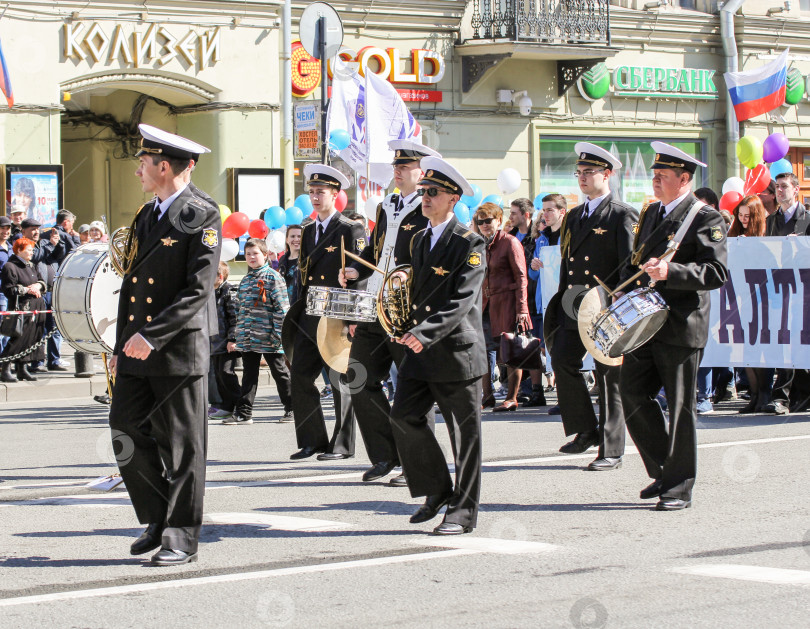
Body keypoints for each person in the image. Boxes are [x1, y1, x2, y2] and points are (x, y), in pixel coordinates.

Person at [107, 123, 221, 566]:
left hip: (175, 351)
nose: (138, 170)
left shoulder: (200, 213)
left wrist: (150, 337)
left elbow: (197, 290)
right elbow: (131, 289)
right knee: (125, 431)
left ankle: (181, 535)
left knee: (182, 446)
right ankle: (157, 516)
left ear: (165, 166)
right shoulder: (146, 214)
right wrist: (120, 347)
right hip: (136, 350)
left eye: (143, 162)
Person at [620, 142, 728, 511]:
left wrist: (672, 272)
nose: (655, 182)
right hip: (647, 320)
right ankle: (664, 469)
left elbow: (716, 272)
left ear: (684, 179)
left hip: (681, 324)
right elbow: (637, 261)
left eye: (663, 176)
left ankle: (679, 485)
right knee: (631, 392)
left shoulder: (706, 217)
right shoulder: (651, 213)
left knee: (680, 406)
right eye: (654, 175)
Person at [390, 156, 487, 535]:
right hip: (420, 348)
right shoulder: (418, 237)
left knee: (464, 436)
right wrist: (398, 323)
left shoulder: (470, 241)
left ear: (453, 199)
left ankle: (463, 511)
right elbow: (413, 292)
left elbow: (461, 299)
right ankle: (436, 488)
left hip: (455, 351)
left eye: (433, 193)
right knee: (403, 416)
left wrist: (424, 331)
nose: (425, 198)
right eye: (423, 191)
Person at [340, 139, 438, 486]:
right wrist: (357, 271)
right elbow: (375, 249)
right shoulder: (386, 206)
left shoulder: (429, 208)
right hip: (374, 303)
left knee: (412, 386)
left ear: (421, 172)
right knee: (359, 377)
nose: (397, 172)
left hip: (404, 309)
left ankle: (416, 463)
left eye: (404, 167)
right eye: (396, 166)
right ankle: (385, 455)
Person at [543, 143, 638, 471]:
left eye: (589, 172)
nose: (582, 178)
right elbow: (568, 264)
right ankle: (586, 429)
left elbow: (629, 265)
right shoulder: (574, 215)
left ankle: (612, 449)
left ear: (606, 174)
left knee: (608, 375)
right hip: (573, 304)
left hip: (604, 307)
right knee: (562, 360)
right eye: (579, 173)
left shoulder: (622, 214)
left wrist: (617, 305)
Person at [287, 164, 366, 461]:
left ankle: (342, 444)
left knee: (338, 380)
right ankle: (312, 440)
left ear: (336, 194)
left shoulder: (350, 228)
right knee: (301, 377)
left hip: (337, 312)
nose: (315, 197)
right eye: (311, 192)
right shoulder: (308, 231)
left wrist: (354, 318)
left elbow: (360, 275)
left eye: (321, 192)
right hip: (310, 313)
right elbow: (303, 276)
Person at [228, 238, 293, 424]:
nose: (251, 257)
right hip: (248, 337)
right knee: (249, 375)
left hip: (269, 337)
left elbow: (282, 309)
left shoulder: (273, 277)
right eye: (248, 254)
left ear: (265, 255)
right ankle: (244, 413)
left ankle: (292, 408)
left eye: (255, 253)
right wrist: (238, 335)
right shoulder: (247, 279)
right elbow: (240, 310)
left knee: (280, 373)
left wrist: (278, 335)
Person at [763, 171, 810, 414]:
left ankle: (786, 395)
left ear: (796, 190)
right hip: (780, 290)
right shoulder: (772, 220)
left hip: (803, 291)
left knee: (797, 343)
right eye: (777, 188)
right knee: (785, 342)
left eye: (784, 187)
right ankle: (783, 396)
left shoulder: (807, 219)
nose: (780, 191)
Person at [476, 202, 531, 412]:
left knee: (510, 352)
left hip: (507, 303)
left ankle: (511, 397)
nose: (484, 225)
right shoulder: (478, 244)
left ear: (499, 220)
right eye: (480, 222)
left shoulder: (510, 242)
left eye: (488, 220)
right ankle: (487, 396)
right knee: (482, 351)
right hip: (484, 305)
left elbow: (521, 277)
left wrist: (522, 308)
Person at [529, 194, 567, 401]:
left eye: (550, 209)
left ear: (562, 212)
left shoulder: (569, 235)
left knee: (564, 350)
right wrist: (534, 266)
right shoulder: (542, 238)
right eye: (544, 210)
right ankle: (561, 397)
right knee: (550, 348)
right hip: (545, 300)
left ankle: (566, 396)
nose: (545, 214)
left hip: (565, 299)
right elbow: (533, 275)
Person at [508, 198, 545, 406]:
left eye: (514, 213)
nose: (511, 217)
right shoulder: (510, 236)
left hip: (533, 295)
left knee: (536, 343)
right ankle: (524, 387)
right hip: (516, 296)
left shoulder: (537, 236)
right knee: (521, 342)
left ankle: (536, 388)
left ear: (526, 215)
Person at [0, 238, 47, 383]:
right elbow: (9, 289)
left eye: (32, 250)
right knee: (18, 338)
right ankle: (5, 367)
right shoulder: (10, 266)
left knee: (31, 338)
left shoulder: (31, 265)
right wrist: (27, 289)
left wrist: (38, 286)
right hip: (22, 308)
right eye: (28, 250)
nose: (32, 253)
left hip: (36, 307)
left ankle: (22, 368)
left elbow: (42, 282)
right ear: (19, 250)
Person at [208, 261, 241, 422]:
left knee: (227, 374)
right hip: (214, 342)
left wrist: (232, 339)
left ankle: (240, 405)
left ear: (220, 276)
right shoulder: (211, 292)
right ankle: (226, 407)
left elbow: (235, 317)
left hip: (227, 343)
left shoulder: (229, 291)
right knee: (219, 376)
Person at [277, 225, 302, 305]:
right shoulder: (282, 260)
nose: (296, 239)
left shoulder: (307, 260)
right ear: (287, 240)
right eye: (292, 236)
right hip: (283, 305)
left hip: (298, 306)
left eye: (299, 236)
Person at [0, 216, 12, 353]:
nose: (5, 231)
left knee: (9, 329)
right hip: (1, 294)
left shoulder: (11, 247)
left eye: (7, 228)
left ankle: (5, 360)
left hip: (11, 294)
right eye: (2, 228)